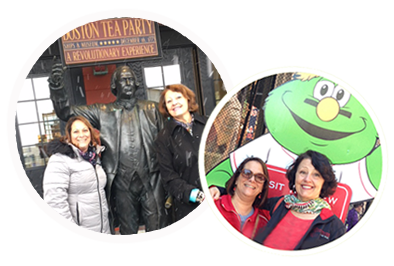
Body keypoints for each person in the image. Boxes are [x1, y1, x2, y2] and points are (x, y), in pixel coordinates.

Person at [48, 64, 169, 234]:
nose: (127, 82)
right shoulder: (102, 111)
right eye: (123, 80)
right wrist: (57, 87)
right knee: (128, 229)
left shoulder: (152, 109)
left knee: (157, 225)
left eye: (130, 79)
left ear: (136, 84)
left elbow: (166, 145)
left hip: (151, 179)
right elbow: (66, 111)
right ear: (114, 86)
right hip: (121, 183)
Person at [254, 150, 346, 250]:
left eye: (316, 175)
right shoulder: (278, 204)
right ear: (295, 176)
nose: (307, 179)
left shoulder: (334, 227)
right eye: (303, 172)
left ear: (324, 182)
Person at [43, 116, 110, 234]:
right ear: (69, 135)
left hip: (102, 227)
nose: (81, 135)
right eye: (76, 131)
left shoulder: (94, 156)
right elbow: (55, 202)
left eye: (85, 130)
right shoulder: (60, 159)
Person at [155, 84, 207, 222]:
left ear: (188, 100)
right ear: (165, 107)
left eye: (178, 97)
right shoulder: (165, 137)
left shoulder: (207, 124)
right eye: (169, 101)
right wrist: (196, 195)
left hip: (218, 196)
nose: (174, 103)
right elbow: (169, 177)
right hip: (188, 207)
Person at [214, 157, 270, 239]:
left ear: (262, 188)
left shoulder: (263, 224)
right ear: (236, 179)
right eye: (247, 173)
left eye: (259, 177)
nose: (252, 179)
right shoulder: (213, 204)